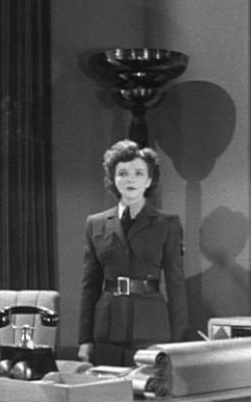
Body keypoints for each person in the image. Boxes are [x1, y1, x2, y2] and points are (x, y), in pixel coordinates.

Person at [77, 139, 188, 366]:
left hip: (151, 329)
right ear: (113, 179)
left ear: (149, 180)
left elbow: (176, 285)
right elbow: (89, 287)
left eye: (138, 173)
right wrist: (85, 339)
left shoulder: (167, 224)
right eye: (123, 173)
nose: (130, 179)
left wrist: (179, 343)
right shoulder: (95, 223)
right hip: (107, 330)